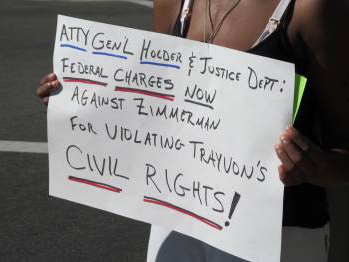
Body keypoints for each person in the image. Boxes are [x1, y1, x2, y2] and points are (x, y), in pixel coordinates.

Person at [37, 0, 349, 261]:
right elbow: (155, 109)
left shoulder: (311, 8)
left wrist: (313, 166)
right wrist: (81, 101)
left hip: (276, 234)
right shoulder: (175, 3)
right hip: (177, 216)